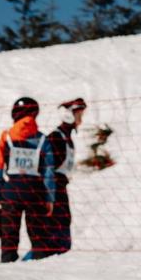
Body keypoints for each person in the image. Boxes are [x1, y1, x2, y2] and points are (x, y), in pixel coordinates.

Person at [0, 97, 53, 262]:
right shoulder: (42, 139)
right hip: (35, 191)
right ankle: (40, 265)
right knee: (38, 234)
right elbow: (48, 172)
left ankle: (7, 263)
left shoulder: (6, 137)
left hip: (11, 191)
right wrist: (50, 198)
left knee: (9, 234)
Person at [41, 98, 87, 256]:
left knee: (64, 221)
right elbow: (47, 169)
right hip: (53, 189)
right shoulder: (56, 138)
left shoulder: (66, 138)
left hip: (60, 188)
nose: (81, 119)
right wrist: (49, 196)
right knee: (58, 224)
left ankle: (62, 255)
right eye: (79, 114)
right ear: (69, 115)